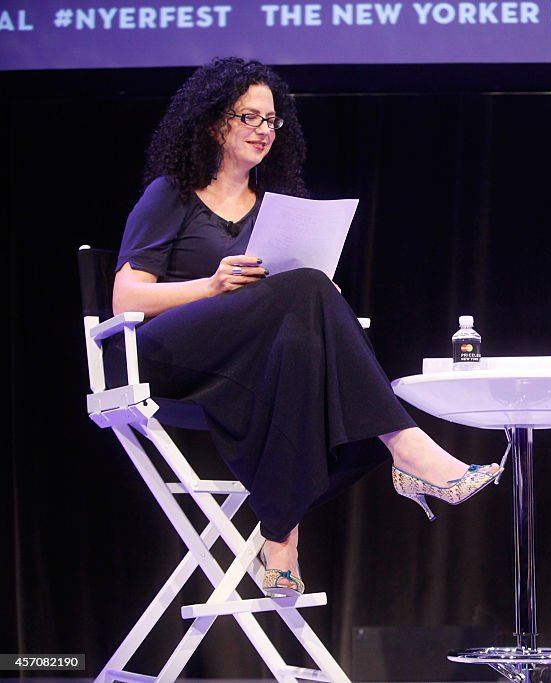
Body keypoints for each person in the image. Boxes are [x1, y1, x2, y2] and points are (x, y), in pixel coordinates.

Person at [111, 57, 500, 599]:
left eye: (272, 121)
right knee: (308, 294)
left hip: (248, 368)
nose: (263, 131)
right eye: (249, 117)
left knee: (307, 324)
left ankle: (281, 536)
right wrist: (211, 285)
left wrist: (319, 297)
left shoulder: (276, 207)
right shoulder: (171, 194)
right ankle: (403, 445)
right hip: (170, 358)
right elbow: (126, 296)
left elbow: (294, 301)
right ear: (211, 121)